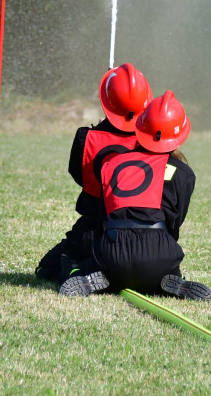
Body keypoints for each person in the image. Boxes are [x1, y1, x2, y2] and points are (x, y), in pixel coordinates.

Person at [58, 90, 211, 302]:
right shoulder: (184, 174)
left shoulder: (112, 165)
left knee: (69, 265)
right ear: (179, 136)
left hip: (112, 252)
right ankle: (168, 280)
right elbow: (175, 223)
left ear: (140, 128)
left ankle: (90, 276)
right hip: (160, 254)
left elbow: (106, 217)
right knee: (160, 270)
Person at [34, 62, 153, 284]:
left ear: (107, 102)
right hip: (137, 232)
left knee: (46, 270)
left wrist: (98, 131)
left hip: (91, 230)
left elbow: (79, 175)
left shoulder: (85, 137)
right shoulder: (151, 143)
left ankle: (83, 268)